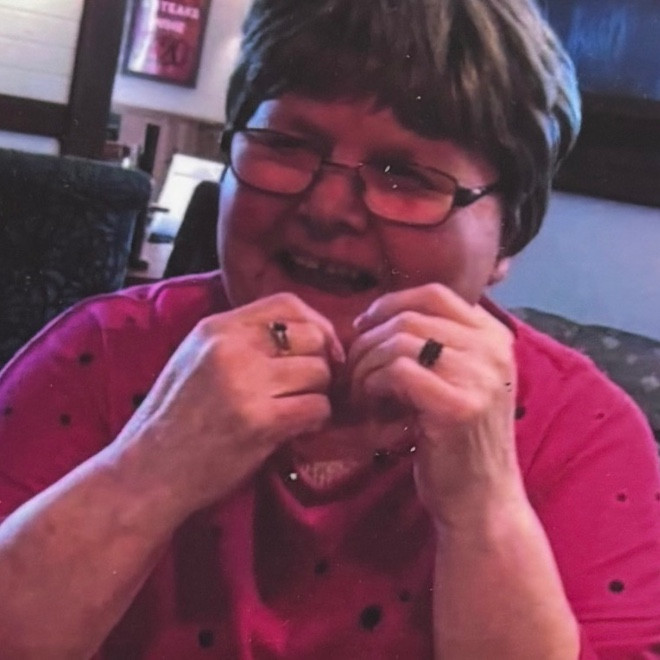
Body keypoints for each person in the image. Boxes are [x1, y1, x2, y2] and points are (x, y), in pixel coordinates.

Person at [1, 0, 659, 657]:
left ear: (507, 237)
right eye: (285, 146)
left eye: (405, 174)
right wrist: (150, 466)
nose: (326, 207)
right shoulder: (102, 351)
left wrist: (483, 510)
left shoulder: (582, 434)